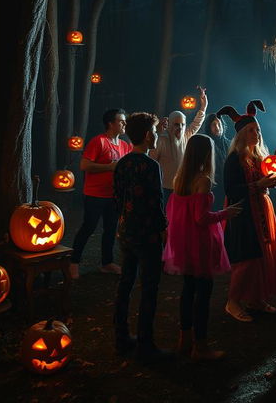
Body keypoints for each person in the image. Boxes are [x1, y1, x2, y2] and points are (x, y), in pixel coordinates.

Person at [163, 134, 243, 360]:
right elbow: (200, 218)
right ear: (207, 154)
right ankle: (201, 346)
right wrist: (225, 214)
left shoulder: (180, 178)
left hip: (184, 242)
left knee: (188, 291)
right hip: (199, 243)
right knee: (203, 294)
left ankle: (184, 339)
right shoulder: (203, 180)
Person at [218, 100, 276, 322]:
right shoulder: (234, 160)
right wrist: (258, 185)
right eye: (250, 130)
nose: (256, 133)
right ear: (241, 135)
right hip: (243, 215)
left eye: (257, 129)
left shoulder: (258, 157)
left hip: (261, 212)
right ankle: (233, 301)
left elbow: (262, 182)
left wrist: (270, 183)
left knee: (260, 258)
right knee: (245, 260)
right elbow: (232, 190)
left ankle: (256, 299)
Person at [113, 112, 170, 361]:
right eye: (155, 131)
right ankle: (146, 344)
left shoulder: (122, 164)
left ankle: (121, 338)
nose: (157, 135)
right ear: (148, 136)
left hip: (126, 232)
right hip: (147, 236)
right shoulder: (151, 166)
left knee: (125, 284)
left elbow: (118, 197)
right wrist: (163, 228)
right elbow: (156, 202)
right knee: (149, 288)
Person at [70, 108, 132, 279]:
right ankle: (73, 262)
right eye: (121, 121)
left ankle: (107, 263)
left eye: (124, 120)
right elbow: (84, 165)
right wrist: (109, 167)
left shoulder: (125, 145)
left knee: (111, 229)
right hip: (94, 195)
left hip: (114, 195)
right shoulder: (99, 142)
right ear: (110, 124)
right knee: (88, 227)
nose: (124, 123)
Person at [150, 87, 208, 194]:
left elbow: (196, 123)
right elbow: (152, 163)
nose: (180, 128)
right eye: (177, 124)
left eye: (183, 124)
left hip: (182, 186)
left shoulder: (186, 136)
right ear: (170, 124)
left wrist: (203, 107)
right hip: (164, 188)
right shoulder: (161, 139)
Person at [202, 113, 230, 209]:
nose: (217, 127)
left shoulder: (229, 144)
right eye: (214, 125)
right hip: (214, 188)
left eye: (219, 124)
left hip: (228, 187)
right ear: (209, 127)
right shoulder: (206, 145)